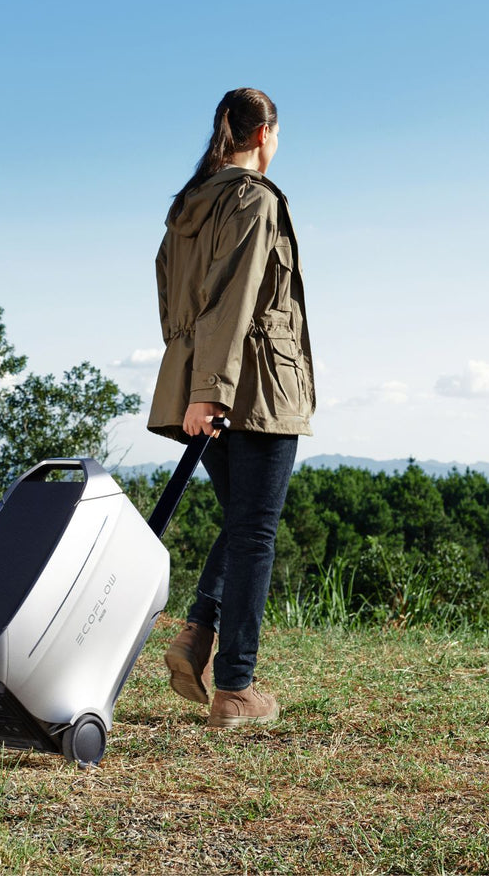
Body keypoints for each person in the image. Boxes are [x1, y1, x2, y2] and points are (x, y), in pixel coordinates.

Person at [147, 87, 316, 727]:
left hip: (205, 374)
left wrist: (191, 371)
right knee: (255, 531)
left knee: (241, 520)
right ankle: (235, 689)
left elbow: (172, 299)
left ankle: (195, 636)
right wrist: (210, 390)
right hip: (256, 384)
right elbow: (237, 296)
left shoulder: (187, 205)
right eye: (277, 134)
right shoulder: (252, 198)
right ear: (263, 132)